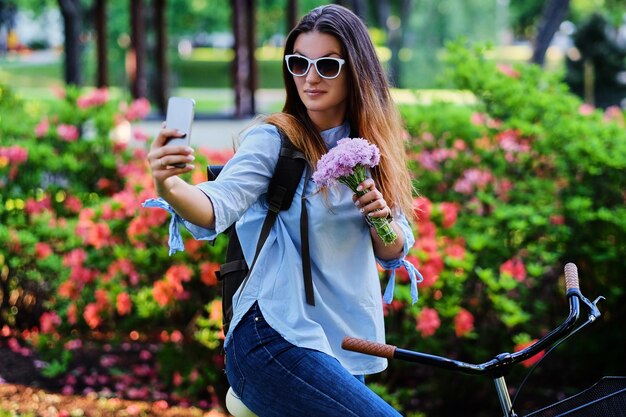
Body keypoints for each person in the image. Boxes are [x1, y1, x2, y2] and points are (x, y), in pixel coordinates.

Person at [146, 4, 421, 416]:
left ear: (356, 70)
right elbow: (214, 206)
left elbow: (393, 251)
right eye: (298, 63)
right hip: (274, 335)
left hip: (341, 348)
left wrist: (380, 218)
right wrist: (168, 184)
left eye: (327, 65)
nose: (310, 77)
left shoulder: (371, 149)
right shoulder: (275, 139)